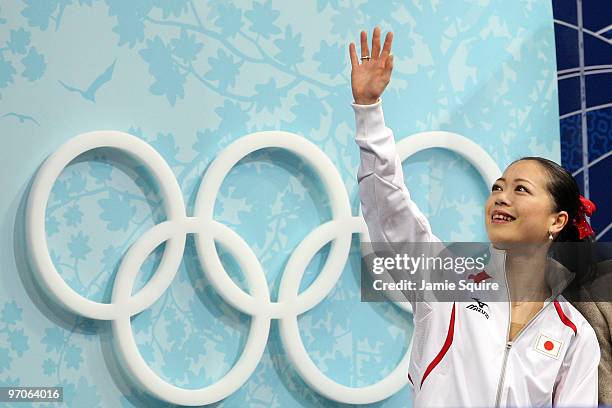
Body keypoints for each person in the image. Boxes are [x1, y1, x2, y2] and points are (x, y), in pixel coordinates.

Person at [350, 27, 601, 407]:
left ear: (557, 221)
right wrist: (369, 113)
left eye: (520, 190)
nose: (500, 198)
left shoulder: (574, 334)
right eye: (498, 187)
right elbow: (388, 208)